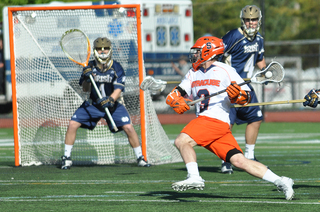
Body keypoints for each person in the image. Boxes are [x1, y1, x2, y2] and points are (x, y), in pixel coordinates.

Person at [165, 36, 294, 200]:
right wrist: (177, 101)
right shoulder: (193, 73)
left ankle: (194, 176)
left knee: (182, 141)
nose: (195, 55)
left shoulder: (225, 70)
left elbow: (246, 96)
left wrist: (237, 96)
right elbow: (177, 93)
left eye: (198, 51)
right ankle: (281, 180)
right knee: (240, 161)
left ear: (208, 52)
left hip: (214, 120)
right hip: (214, 126)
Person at [61, 37, 151, 169]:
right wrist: (87, 78)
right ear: (95, 50)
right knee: (72, 124)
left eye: (105, 48)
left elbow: (119, 88)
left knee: (129, 128)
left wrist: (110, 100)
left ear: (110, 50)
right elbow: (85, 89)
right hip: (93, 104)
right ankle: (66, 158)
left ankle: (140, 158)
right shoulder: (89, 67)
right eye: (99, 49)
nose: (103, 51)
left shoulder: (117, 67)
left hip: (112, 104)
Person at [219, 5, 266, 174]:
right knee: (227, 124)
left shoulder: (259, 39)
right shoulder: (233, 36)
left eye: (253, 20)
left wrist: (267, 72)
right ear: (243, 20)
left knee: (256, 118)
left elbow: (260, 60)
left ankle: (250, 155)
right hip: (229, 87)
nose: (251, 23)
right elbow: (216, 56)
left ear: (258, 21)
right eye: (248, 20)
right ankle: (226, 160)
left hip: (246, 86)